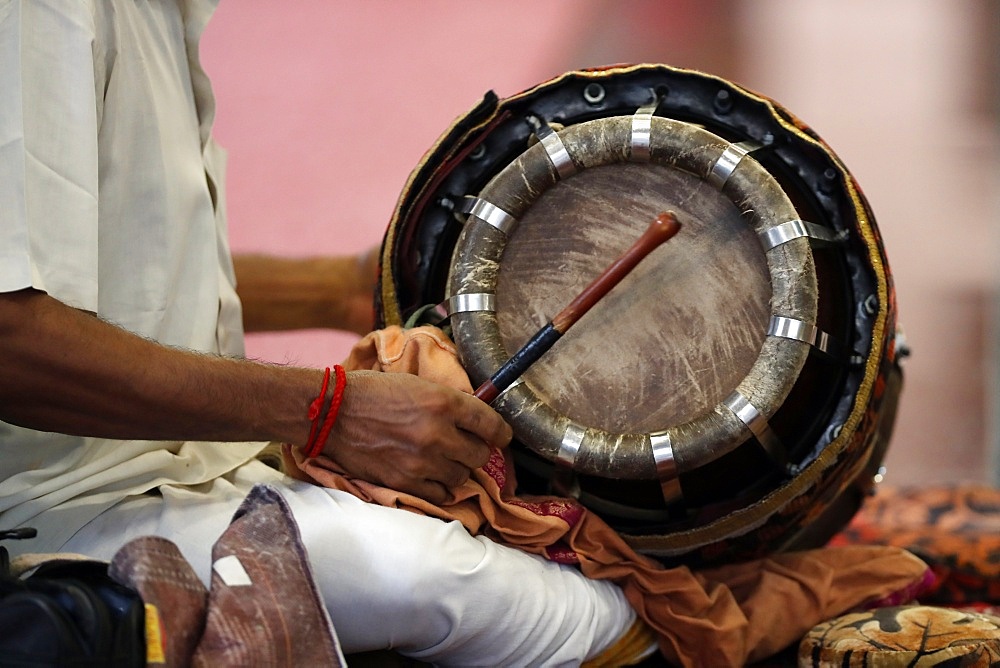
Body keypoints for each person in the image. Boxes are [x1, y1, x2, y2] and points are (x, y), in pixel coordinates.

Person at [0, 1, 640, 664]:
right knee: (572, 612)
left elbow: (112, 275)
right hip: (60, 511)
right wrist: (330, 409)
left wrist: (342, 287)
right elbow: (11, 344)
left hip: (180, 471)